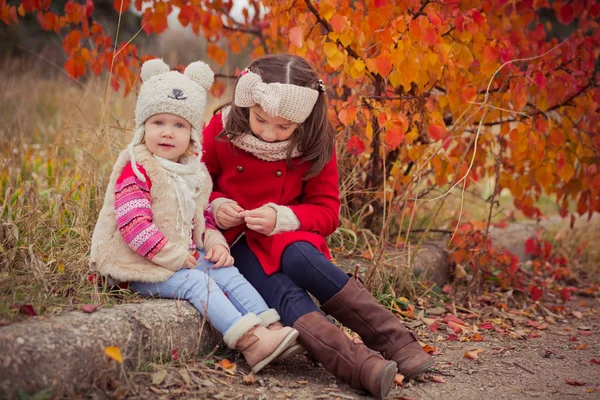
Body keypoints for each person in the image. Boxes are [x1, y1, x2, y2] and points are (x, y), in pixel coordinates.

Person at [201, 54, 434, 399]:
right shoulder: (221, 129)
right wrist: (217, 206)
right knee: (282, 292)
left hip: (289, 237)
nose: (268, 133)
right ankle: (358, 366)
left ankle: (395, 340)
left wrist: (282, 217)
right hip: (237, 244)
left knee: (300, 259)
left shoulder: (314, 144)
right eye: (261, 120)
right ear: (247, 105)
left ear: (303, 120)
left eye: (283, 127)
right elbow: (195, 182)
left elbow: (327, 212)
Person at [89, 58, 299, 374]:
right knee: (197, 282)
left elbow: (203, 217)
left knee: (224, 270)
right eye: (157, 122)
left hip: (177, 258)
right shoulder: (137, 170)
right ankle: (252, 343)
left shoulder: (193, 171)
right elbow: (134, 227)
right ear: (143, 126)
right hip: (136, 267)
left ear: (192, 135)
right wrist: (175, 256)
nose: (167, 133)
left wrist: (215, 244)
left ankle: (270, 328)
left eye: (179, 125)